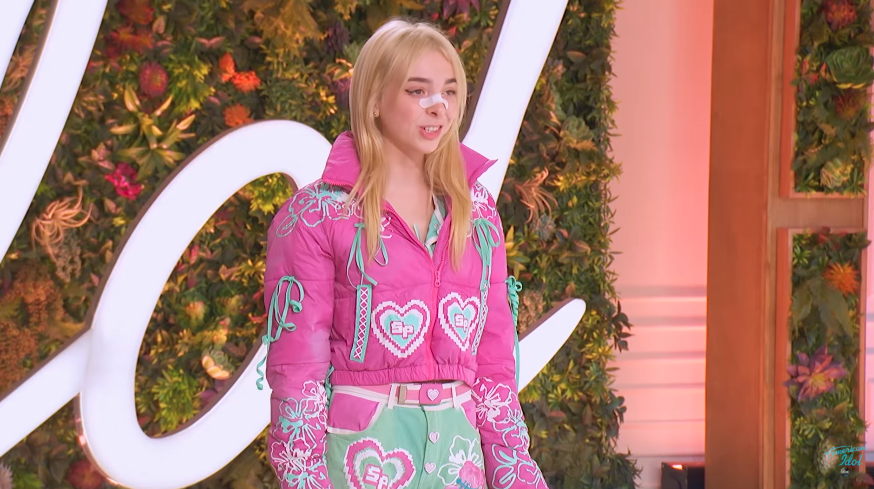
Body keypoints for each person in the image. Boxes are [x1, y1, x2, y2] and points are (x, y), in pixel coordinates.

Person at [258, 18, 547, 489]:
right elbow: (298, 377)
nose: (438, 106)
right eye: (418, 91)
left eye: (449, 91)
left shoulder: (477, 214)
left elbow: (495, 370)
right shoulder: (316, 215)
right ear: (374, 100)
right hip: (362, 459)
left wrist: (518, 476)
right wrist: (306, 479)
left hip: (459, 461)